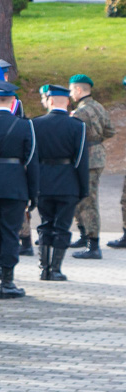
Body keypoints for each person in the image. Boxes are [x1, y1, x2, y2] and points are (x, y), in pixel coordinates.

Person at [0, 81, 39, 299]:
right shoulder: (24, 125)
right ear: (13, 101)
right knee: (10, 233)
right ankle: (7, 282)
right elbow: (31, 162)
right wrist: (33, 194)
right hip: (15, 186)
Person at [31, 85, 89, 281]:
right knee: (62, 227)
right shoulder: (77, 126)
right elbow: (81, 161)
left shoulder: (36, 124)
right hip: (68, 183)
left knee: (45, 224)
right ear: (67, 102)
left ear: (51, 101)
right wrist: (83, 188)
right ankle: (55, 269)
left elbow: (32, 158)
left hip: (43, 181)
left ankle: (43, 268)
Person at [69, 74, 115, 259]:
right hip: (96, 156)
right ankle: (84, 235)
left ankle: (93, 244)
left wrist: (89, 142)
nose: (71, 94)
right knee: (84, 198)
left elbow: (71, 136)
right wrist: (96, 141)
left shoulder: (81, 112)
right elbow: (110, 130)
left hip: (86, 158)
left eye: (72, 90)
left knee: (87, 201)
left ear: (79, 90)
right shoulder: (98, 107)